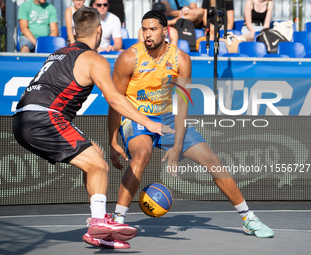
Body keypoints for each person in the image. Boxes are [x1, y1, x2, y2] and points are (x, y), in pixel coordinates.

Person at [107, 10, 274, 245]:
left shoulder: (181, 59)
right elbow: (116, 102)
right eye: (144, 29)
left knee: (212, 160)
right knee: (142, 154)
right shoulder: (128, 58)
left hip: (166, 118)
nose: (147, 34)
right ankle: (117, 220)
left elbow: (182, 104)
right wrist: (113, 141)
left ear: (166, 31)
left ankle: (248, 218)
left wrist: (177, 146)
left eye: (153, 29)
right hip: (136, 117)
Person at [12, 6, 173, 250]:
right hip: (45, 118)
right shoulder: (94, 59)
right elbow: (115, 99)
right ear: (99, 31)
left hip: (21, 119)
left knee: (95, 157)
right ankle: (98, 221)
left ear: (75, 31)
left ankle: (99, 232)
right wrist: (149, 122)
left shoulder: (58, 53)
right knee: (98, 165)